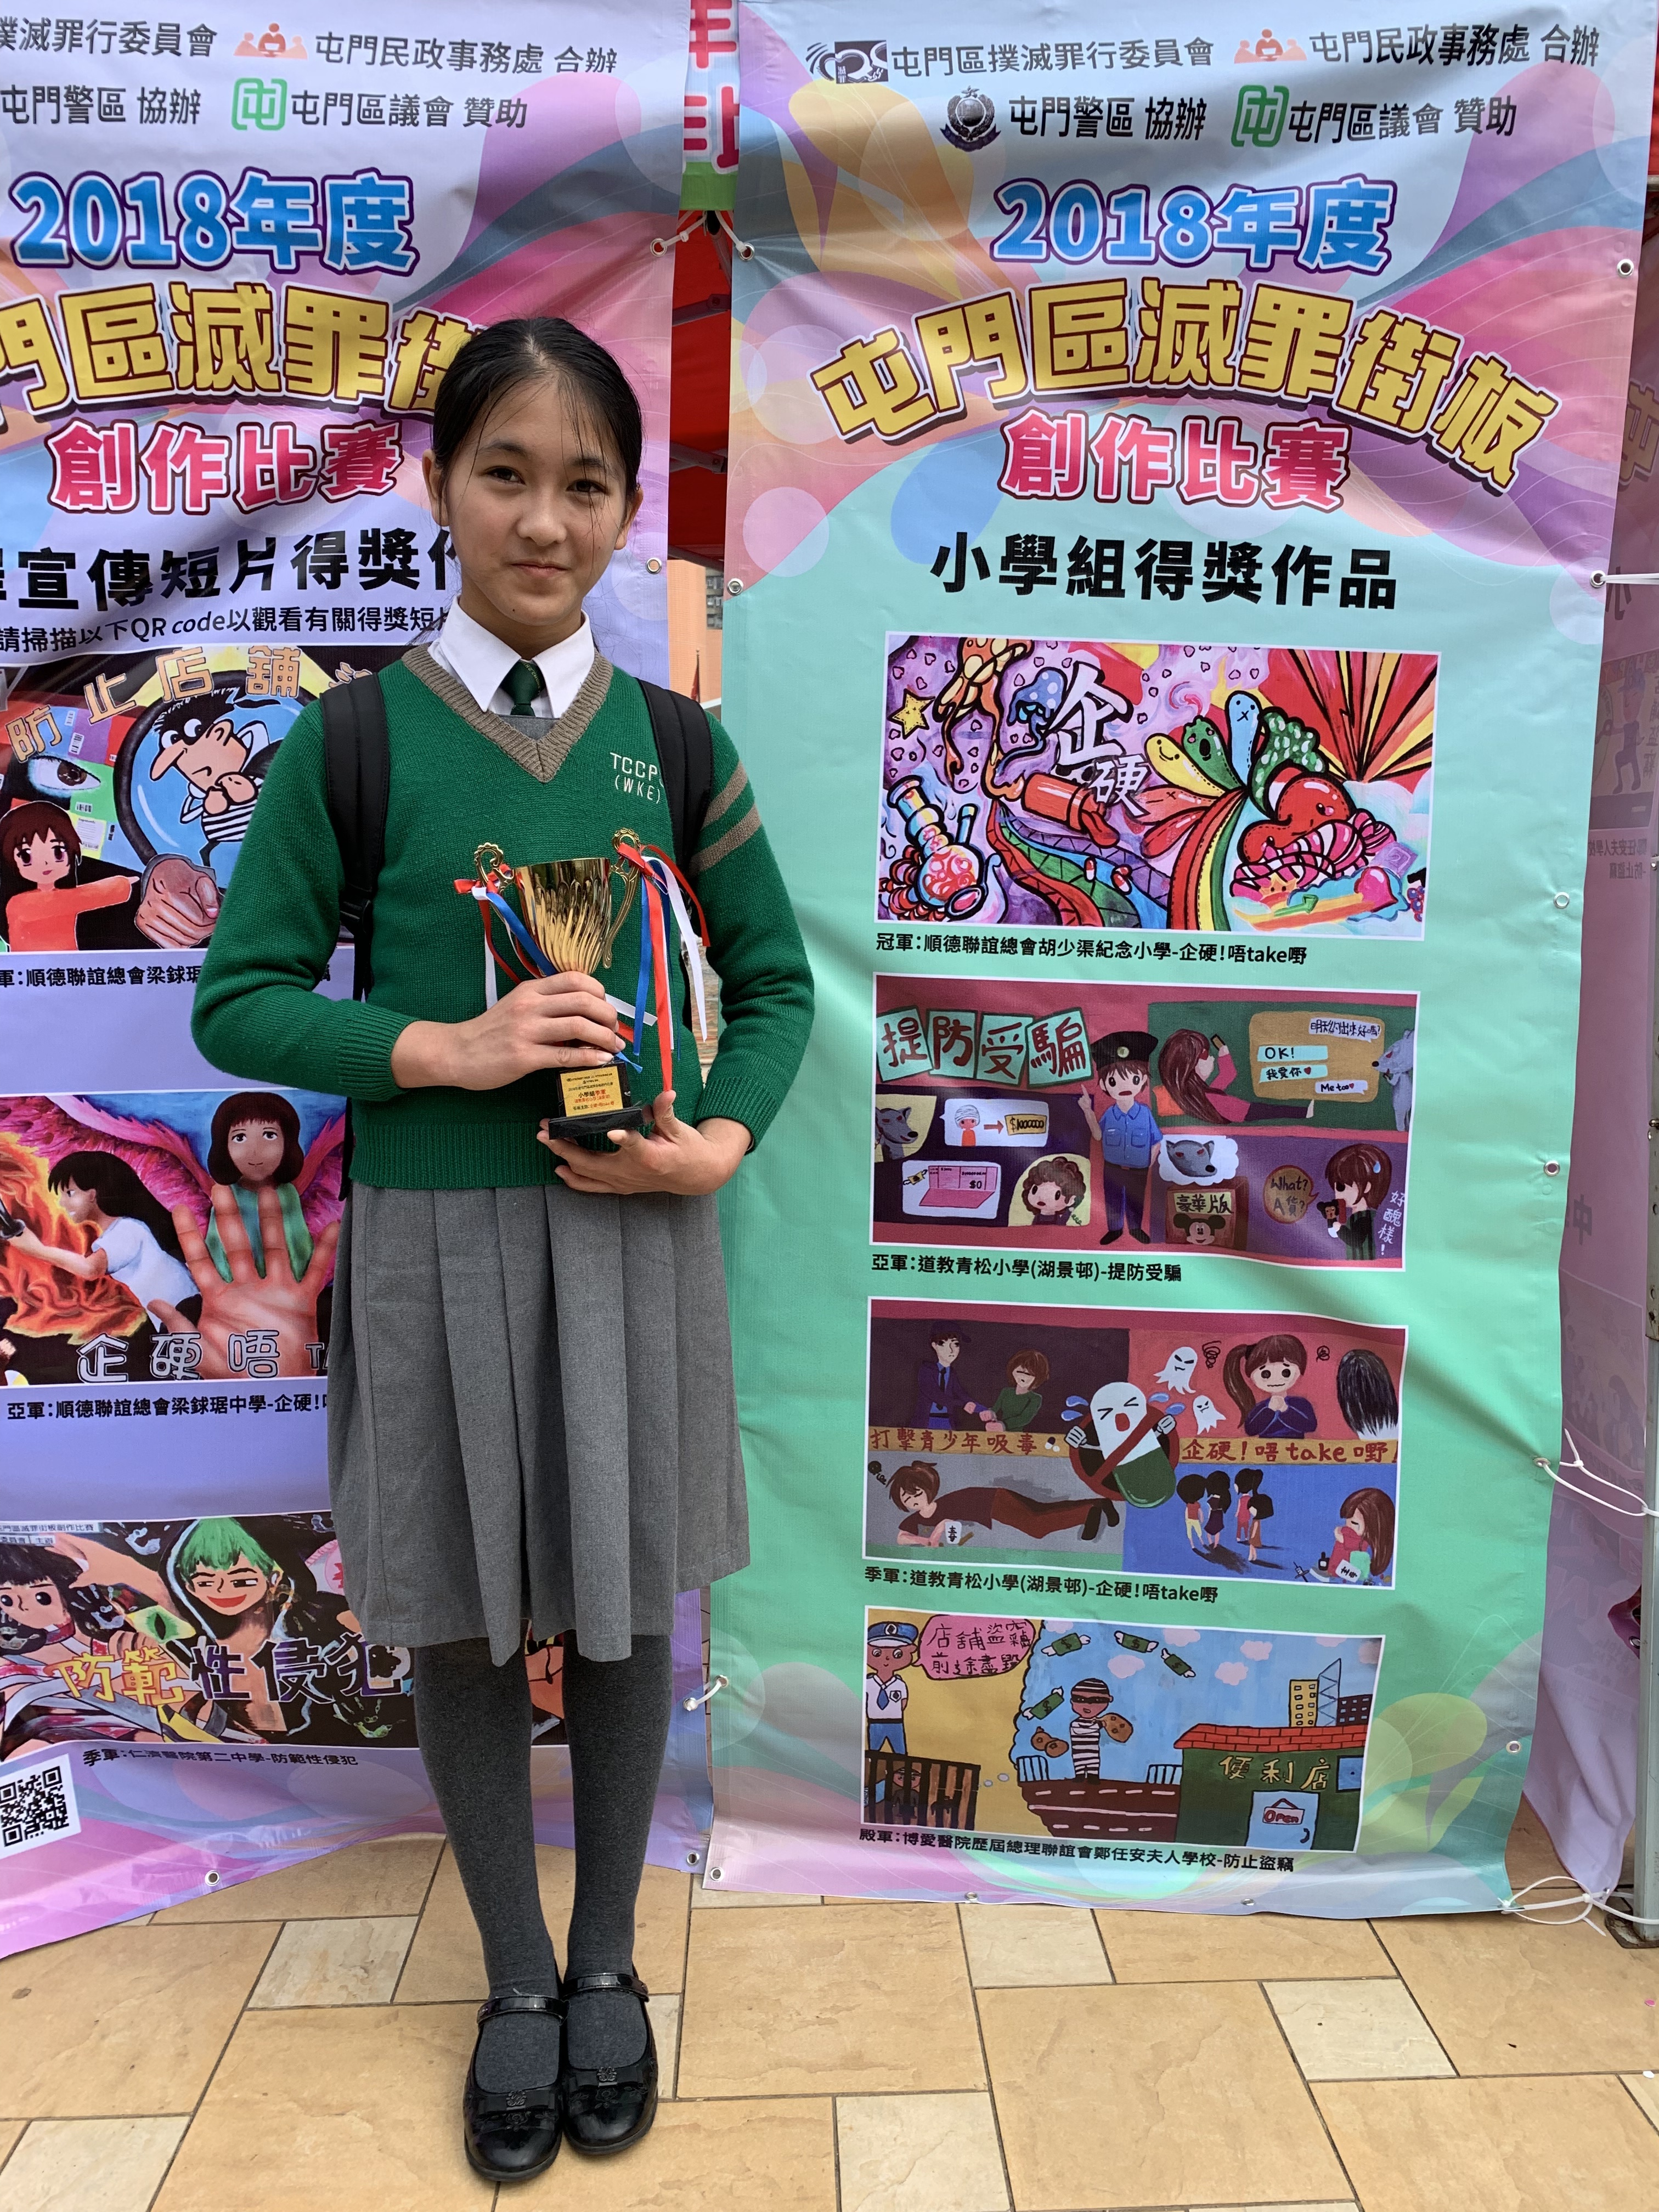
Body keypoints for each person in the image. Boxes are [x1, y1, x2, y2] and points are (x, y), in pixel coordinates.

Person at [189, 318, 814, 2181]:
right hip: (431, 1246)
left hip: (631, 1242)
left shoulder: (673, 745)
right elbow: (238, 1001)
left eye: (587, 485)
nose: (546, 521)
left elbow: (776, 986)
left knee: (621, 1599)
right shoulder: (354, 742)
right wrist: (445, 1052)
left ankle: (610, 1961)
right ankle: (517, 1980)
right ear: (441, 488)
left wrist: (719, 1139)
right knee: (460, 1609)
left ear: (629, 512)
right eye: (507, 475)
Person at [4, 1150, 200, 1332]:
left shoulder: (128, 1228)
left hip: (187, 1309)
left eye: (69, 1193)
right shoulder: (121, 1230)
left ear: (93, 1194)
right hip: (176, 1314)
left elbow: (90, 1269)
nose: (62, 1202)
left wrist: (38, 1250)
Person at [203, 1091, 314, 1283]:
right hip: (236, 1288)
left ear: (287, 1143)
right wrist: (230, 1284)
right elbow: (216, 1249)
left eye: (270, 1135)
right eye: (240, 1138)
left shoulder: (287, 1194)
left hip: (286, 1286)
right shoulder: (227, 1197)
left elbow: (301, 1244)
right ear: (224, 1146)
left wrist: (295, 1282)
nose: (255, 1151)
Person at [0, 803, 132, 952]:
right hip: (31, 965)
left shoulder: (65, 895)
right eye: (26, 856)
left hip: (68, 963)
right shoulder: (18, 904)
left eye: (58, 852)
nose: (45, 863)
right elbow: (85, 897)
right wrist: (124, 884)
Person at [887, 1460, 1103, 1545]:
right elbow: (901, 1538)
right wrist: (924, 1541)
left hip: (992, 1502)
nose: (913, 1501)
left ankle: (1086, 1514)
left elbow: (943, 1523)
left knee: (1036, 1527)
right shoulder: (916, 1517)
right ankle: (1098, 1505)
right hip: (993, 1501)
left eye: (916, 1494)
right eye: (907, 1498)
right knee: (1041, 1510)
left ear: (929, 1490)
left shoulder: (938, 1508)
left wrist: (933, 1538)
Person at [1077, 1029, 1160, 1245]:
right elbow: (1097, 1135)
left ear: (1143, 1080)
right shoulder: (1109, 1114)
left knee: (1136, 1199)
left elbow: (1157, 1140)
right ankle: (1114, 1230)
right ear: (1104, 1085)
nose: (1124, 1087)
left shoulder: (1145, 1114)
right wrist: (1087, 1111)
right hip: (1113, 1167)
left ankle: (1136, 1229)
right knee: (1113, 1200)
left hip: (1139, 1169)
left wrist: (1150, 1161)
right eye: (1114, 1082)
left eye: (1134, 1078)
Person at [1222, 1332, 1317, 1438]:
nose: (1276, 1379)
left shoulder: (1301, 1404)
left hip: (1296, 1447)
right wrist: (1269, 1410)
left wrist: (1285, 1410)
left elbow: (1311, 1426)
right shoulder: (1261, 1407)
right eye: (1265, 1374)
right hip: (1264, 1448)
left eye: (1286, 1372)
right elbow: (1251, 1430)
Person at [1322, 1143, 1392, 1261]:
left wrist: (1340, 1229)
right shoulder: (1354, 1217)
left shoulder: (1364, 1218)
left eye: (1341, 1188)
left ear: (1366, 1188)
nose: (1337, 1194)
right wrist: (1332, 1222)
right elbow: (1335, 1235)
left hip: (1365, 1262)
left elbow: (1356, 1241)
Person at [964, 1348, 1048, 1432]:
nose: (1022, 1377)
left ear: (1038, 1377)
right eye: (1019, 1372)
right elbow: (995, 1409)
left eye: (1028, 1374)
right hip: (999, 1432)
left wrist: (1004, 1425)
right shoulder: (1006, 1392)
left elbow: (1024, 1419)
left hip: (1018, 1435)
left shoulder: (1035, 1398)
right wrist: (984, 1411)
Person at [914, 1324, 969, 1430]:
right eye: (943, 1343)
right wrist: (963, 1404)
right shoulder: (926, 1370)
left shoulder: (952, 1373)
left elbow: (961, 1393)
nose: (951, 1350)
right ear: (934, 1346)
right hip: (927, 1422)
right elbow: (935, 1394)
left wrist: (981, 1409)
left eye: (956, 1344)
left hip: (947, 1421)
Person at [1017, 1154, 1086, 1226]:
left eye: (1057, 1195)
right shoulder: (1037, 1217)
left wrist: (1072, 1208)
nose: (1043, 1198)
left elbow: (1063, 1222)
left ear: (1070, 1200)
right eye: (1035, 1190)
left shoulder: (1058, 1219)